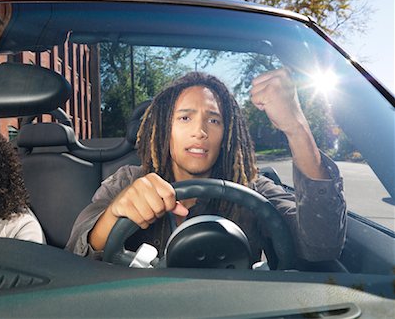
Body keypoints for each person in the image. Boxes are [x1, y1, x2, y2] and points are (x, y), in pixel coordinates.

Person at [66, 69, 346, 264]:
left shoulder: (254, 189)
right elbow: (76, 252)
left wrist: (296, 128)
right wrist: (116, 212)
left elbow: (322, 245)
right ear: (165, 129)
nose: (200, 131)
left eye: (213, 120)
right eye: (185, 118)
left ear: (226, 133)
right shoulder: (128, 181)